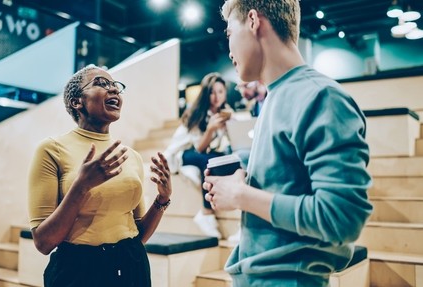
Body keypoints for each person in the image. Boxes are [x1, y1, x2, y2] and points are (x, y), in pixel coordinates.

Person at [203, 1, 373, 286]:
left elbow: (342, 218)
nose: (229, 49)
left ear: (254, 21)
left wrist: (241, 196)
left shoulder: (320, 97)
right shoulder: (276, 96)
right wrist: (242, 182)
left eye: (230, 33)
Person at [28, 64, 172, 287]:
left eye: (115, 86)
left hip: (132, 265)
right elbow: (43, 242)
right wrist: (81, 186)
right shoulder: (51, 149)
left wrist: (162, 199)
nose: (113, 90)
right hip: (78, 270)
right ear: (77, 102)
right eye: (101, 84)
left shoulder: (129, 156)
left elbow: (138, 233)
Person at [164, 72, 232, 239]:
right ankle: (206, 212)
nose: (216, 97)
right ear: (205, 93)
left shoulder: (224, 113)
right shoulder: (196, 113)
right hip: (183, 153)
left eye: (220, 92)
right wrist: (210, 129)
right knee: (209, 161)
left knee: (223, 158)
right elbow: (199, 148)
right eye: (212, 92)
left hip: (203, 152)